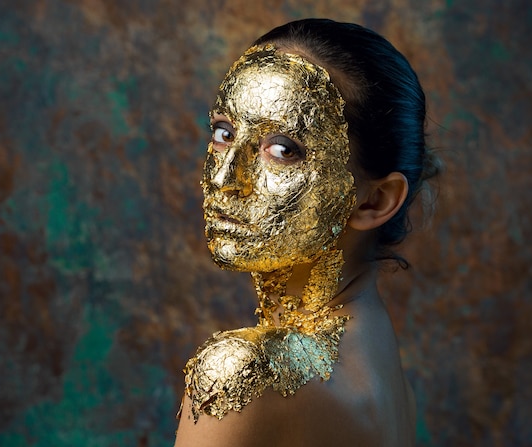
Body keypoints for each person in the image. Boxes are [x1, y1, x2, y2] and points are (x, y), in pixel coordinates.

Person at [174, 18, 440, 447]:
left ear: (375, 201)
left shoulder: (246, 374)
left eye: (282, 149)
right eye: (224, 133)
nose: (225, 177)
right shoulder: (381, 360)